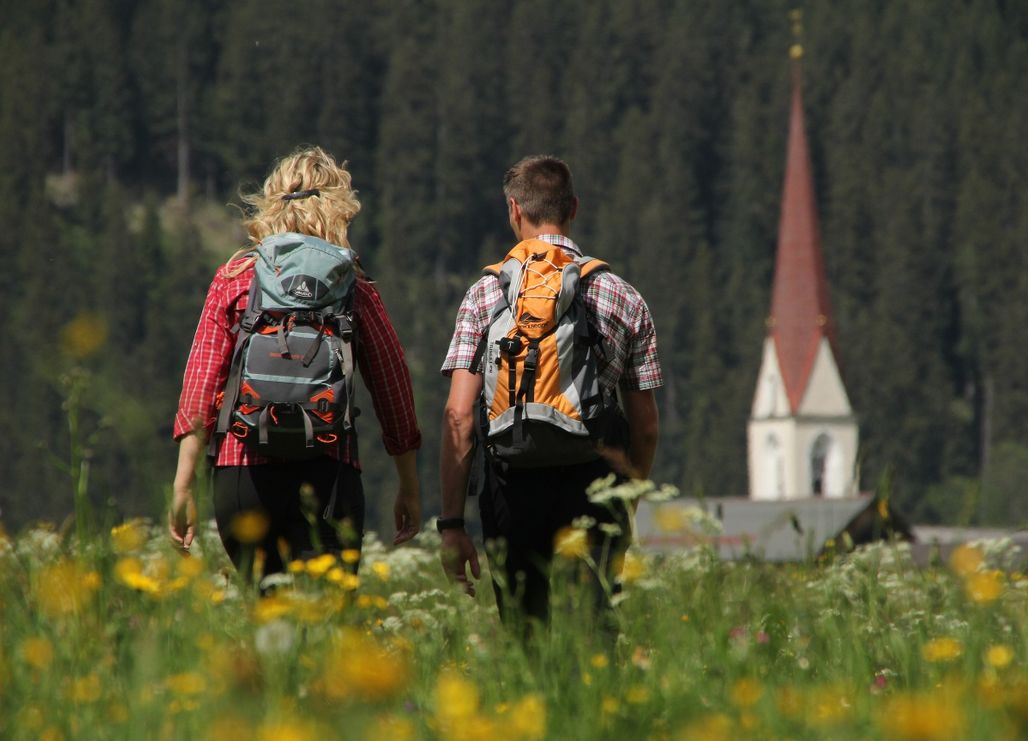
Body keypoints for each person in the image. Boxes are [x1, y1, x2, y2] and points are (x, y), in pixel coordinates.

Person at [168, 146, 422, 583]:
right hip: (329, 473)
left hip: (242, 473)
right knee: (324, 631)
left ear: (270, 203)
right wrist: (409, 485)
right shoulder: (353, 285)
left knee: (268, 622)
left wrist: (182, 485)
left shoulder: (235, 278)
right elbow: (393, 389)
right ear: (339, 209)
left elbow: (200, 387)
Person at [438, 155, 661, 632]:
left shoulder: (484, 295)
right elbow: (645, 424)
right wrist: (627, 498)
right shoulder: (620, 294)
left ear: (514, 210)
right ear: (573, 208)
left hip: (510, 485)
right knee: (595, 637)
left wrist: (451, 524)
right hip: (596, 483)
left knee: (526, 638)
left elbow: (458, 416)